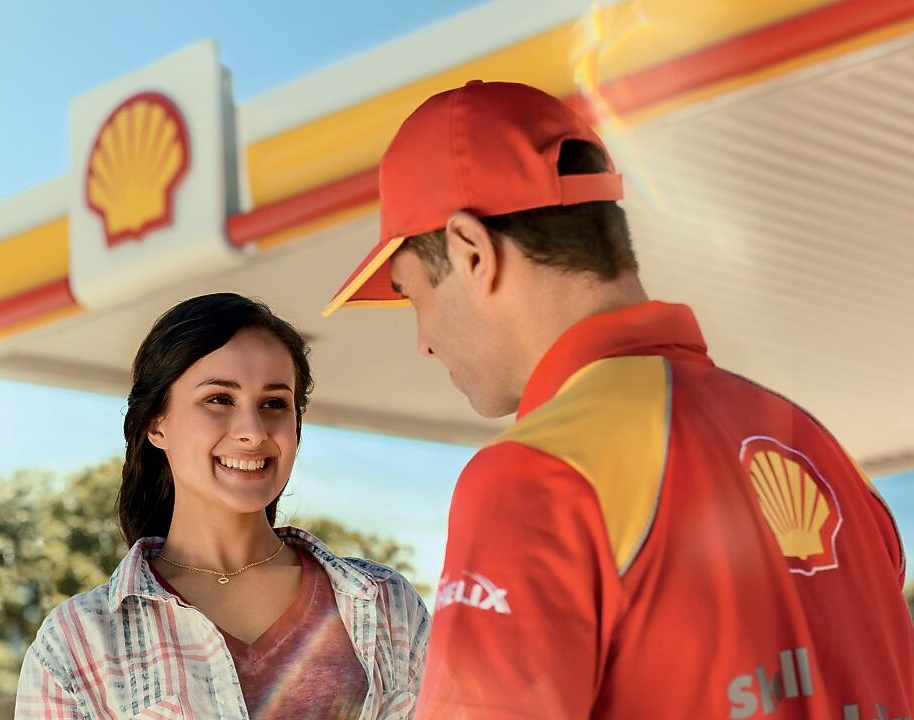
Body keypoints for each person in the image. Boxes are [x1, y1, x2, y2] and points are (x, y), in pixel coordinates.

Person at [323, 80, 914, 718]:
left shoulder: (538, 476)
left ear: (472, 253)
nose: (424, 342)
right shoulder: (825, 454)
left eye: (414, 295)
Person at [15, 292, 429, 720]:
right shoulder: (78, 643)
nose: (252, 431)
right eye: (219, 399)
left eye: (274, 404)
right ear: (157, 423)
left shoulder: (387, 606)